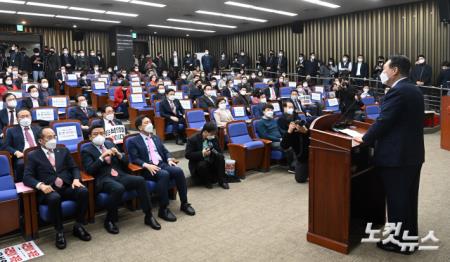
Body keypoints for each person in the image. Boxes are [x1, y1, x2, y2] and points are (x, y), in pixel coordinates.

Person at [354, 55, 424, 255]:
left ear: (394, 70)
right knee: (408, 200)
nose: (382, 73)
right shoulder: (413, 89)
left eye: (384, 69)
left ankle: (399, 242)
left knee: (397, 201)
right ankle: (409, 239)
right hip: (412, 154)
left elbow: (384, 121)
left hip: (397, 156)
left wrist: (365, 139)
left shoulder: (398, 91)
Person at [81, 124, 161, 233]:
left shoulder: (109, 143)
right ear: (90, 137)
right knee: (118, 188)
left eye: (102, 133)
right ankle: (110, 220)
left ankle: (148, 215)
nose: (99, 136)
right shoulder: (86, 150)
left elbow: (126, 163)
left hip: (119, 175)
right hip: (103, 178)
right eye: (95, 134)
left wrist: (119, 155)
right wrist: (101, 157)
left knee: (140, 181)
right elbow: (90, 170)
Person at [23, 127, 91, 249]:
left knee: (83, 191)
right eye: (49, 137)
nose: (53, 139)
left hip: (67, 185)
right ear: (40, 141)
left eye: (54, 136)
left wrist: (76, 179)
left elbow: (74, 168)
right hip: (49, 189)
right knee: (54, 198)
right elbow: (27, 177)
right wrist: (41, 185)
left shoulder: (63, 150)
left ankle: (78, 225)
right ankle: (59, 231)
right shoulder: (33, 155)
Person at [128, 116, 196, 222]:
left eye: (150, 121)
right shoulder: (133, 141)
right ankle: (163, 209)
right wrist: (146, 165)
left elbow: (165, 151)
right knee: (164, 174)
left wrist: (169, 159)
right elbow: (134, 158)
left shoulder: (155, 137)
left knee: (178, 171)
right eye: (146, 123)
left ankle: (184, 203)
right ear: (140, 127)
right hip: (147, 168)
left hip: (161, 163)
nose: (150, 124)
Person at [185, 122, 229, 189]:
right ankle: (206, 182)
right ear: (205, 132)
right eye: (211, 134)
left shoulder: (214, 138)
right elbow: (187, 155)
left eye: (214, 134)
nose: (213, 136)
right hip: (199, 162)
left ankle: (222, 181)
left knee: (220, 157)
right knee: (202, 164)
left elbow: (219, 151)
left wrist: (214, 151)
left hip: (211, 159)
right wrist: (202, 153)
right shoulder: (192, 139)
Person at [4, 109, 40, 181]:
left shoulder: (38, 128)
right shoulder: (11, 131)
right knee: (21, 164)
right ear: (17, 119)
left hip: (39, 153)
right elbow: (6, 146)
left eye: (27, 116)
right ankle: (23, 184)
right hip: (23, 155)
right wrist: (16, 152)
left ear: (31, 117)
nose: (25, 118)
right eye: (22, 116)